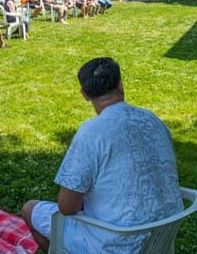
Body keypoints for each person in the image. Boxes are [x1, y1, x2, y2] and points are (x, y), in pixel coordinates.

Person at [21, 57, 183, 253]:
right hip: (161, 235)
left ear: (84, 94)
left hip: (116, 243)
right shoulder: (153, 120)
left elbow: (66, 207)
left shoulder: (91, 133)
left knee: (30, 209)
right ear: (121, 86)